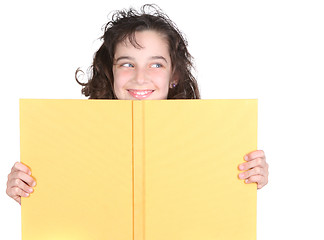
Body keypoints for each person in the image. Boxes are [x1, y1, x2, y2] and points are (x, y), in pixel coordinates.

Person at [6, 4, 269, 205]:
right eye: (127, 64)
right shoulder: (69, 138)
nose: (140, 78)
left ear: (174, 75)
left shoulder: (213, 139)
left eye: (156, 64)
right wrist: (28, 192)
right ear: (110, 71)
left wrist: (248, 180)